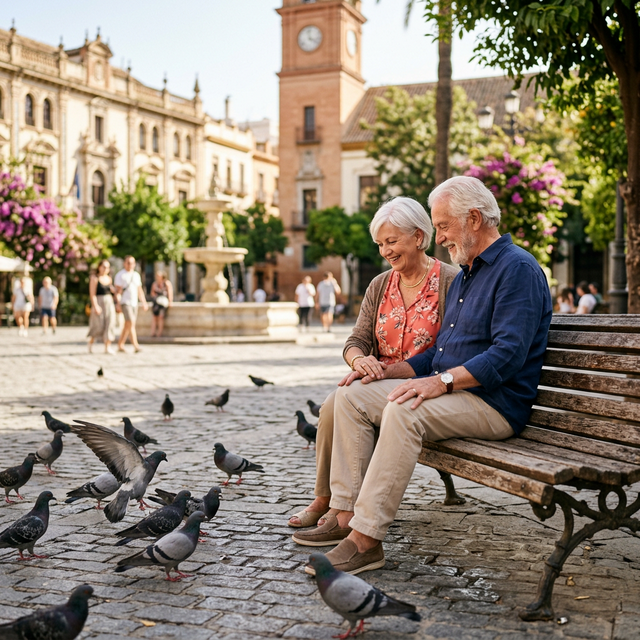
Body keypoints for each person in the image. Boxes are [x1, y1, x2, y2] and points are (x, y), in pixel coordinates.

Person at [293, 176, 552, 577]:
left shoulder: (517, 269)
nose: (441, 236)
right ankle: (344, 514)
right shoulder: (470, 271)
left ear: (474, 219)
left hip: (494, 403)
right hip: (456, 392)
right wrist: (385, 372)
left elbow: (507, 355)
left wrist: (440, 382)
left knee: (405, 411)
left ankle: (366, 540)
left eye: (444, 226)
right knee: (349, 398)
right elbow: (440, 351)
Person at [288, 196, 459, 528]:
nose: (385, 251)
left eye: (392, 241)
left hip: (420, 384)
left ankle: (343, 508)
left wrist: (384, 370)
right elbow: (356, 341)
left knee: (343, 401)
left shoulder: (450, 282)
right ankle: (326, 499)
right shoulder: (380, 284)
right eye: (380, 244)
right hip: (377, 382)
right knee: (330, 405)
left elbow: (446, 351)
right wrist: (359, 362)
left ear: (419, 237)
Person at [114, 256, 148, 353]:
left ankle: (120, 344)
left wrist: (143, 302)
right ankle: (135, 346)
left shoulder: (136, 275)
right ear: (124, 263)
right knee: (130, 322)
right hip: (125, 302)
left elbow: (139, 290)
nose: (130, 265)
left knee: (128, 324)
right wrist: (118, 304)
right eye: (128, 262)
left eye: (132, 263)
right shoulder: (120, 275)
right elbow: (118, 291)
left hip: (134, 302)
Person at [87, 259, 117, 354]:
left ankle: (107, 346)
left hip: (109, 302)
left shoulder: (109, 279)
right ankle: (91, 343)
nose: (105, 269)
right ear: (99, 267)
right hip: (99, 302)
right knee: (98, 325)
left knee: (110, 323)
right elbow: (92, 294)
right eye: (104, 266)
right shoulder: (94, 278)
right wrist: (95, 306)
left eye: (107, 267)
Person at [150, 271, 173, 338]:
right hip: (156, 302)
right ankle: (153, 332)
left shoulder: (166, 283)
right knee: (154, 317)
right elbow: (152, 293)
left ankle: (159, 333)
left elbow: (170, 292)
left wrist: (170, 301)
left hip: (163, 302)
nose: (157, 277)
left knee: (161, 317)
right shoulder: (154, 284)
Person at [11, 269, 34, 337]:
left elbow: (31, 297)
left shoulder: (27, 289)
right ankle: (21, 327)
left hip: (26, 304)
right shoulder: (16, 289)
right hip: (18, 304)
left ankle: (26, 330)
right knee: (17, 317)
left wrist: (32, 304)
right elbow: (13, 297)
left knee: (25, 317)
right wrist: (12, 304)